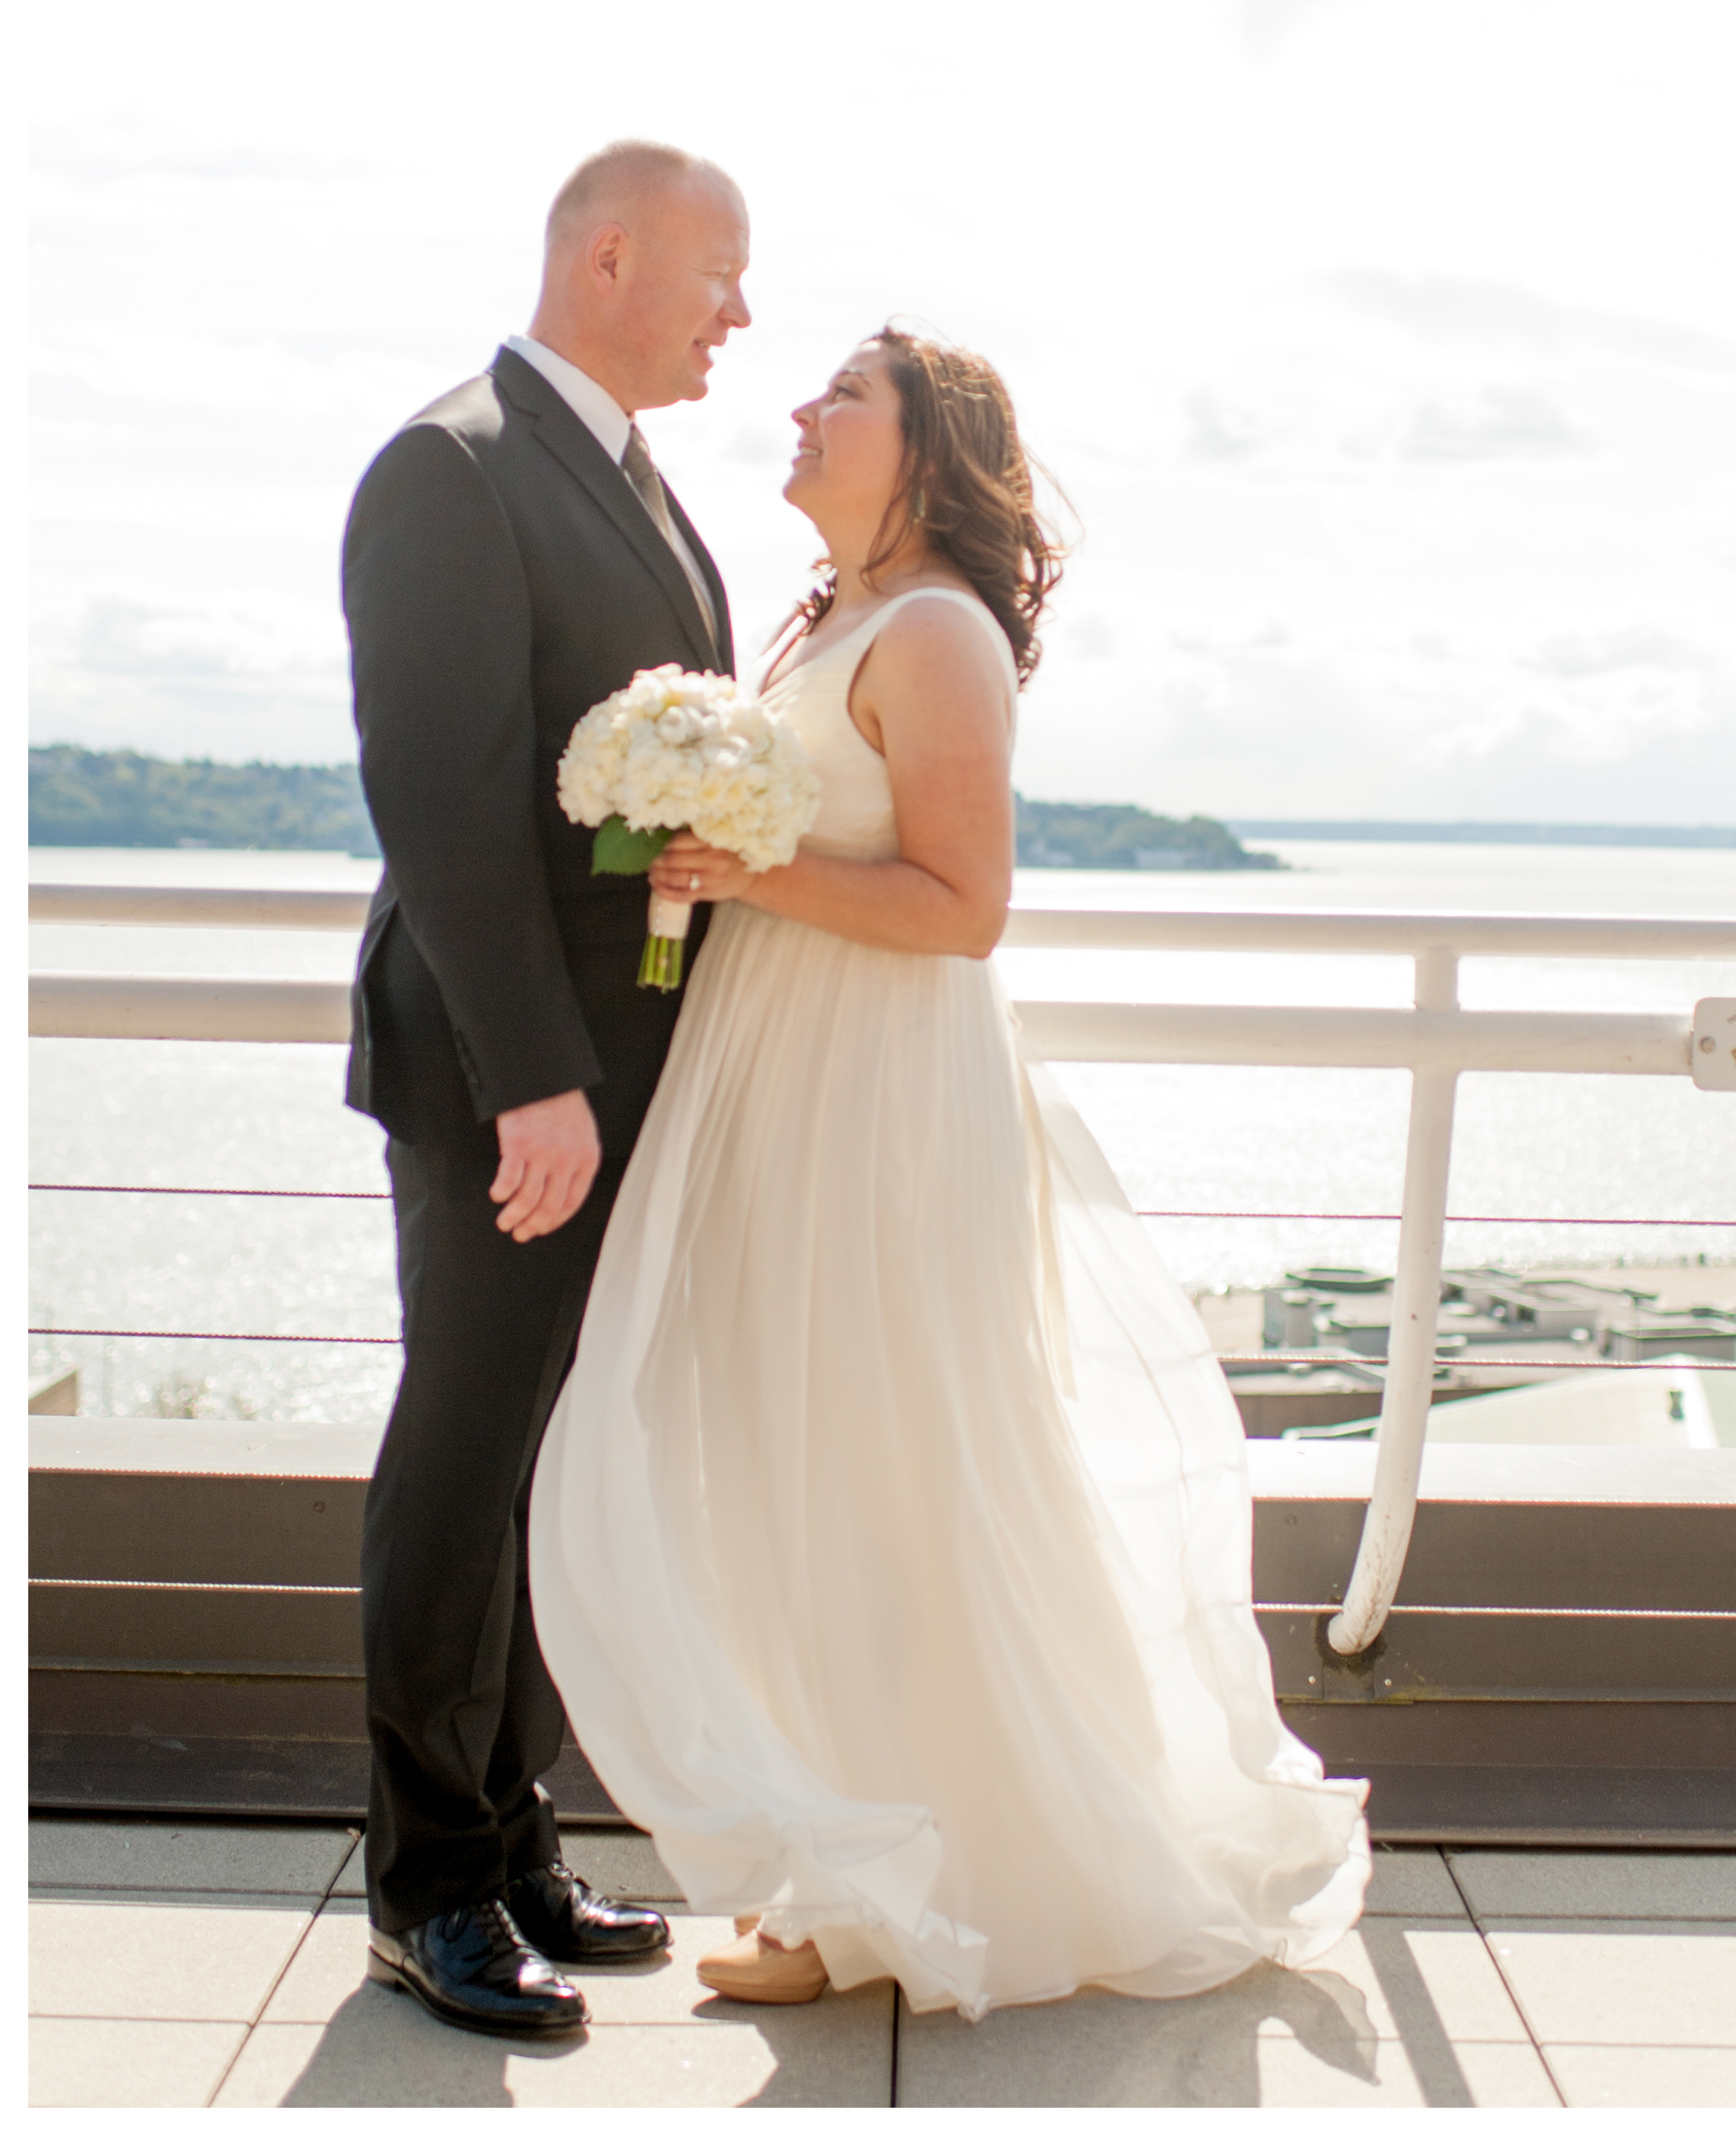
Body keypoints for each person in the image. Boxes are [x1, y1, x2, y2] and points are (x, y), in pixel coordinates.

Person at [525, 326, 1371, 2017]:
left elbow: (962, 907)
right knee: (793, 1462)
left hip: (881, 1094)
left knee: (895, 1463)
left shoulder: (935, 633)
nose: (803, 408)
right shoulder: (821, 620)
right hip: (777, 1072)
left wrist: (751, 876)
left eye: (844, 395)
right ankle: (857, 1860)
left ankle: (930, 1879)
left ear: (921, 453)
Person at [340, 139, 748, 2038]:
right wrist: (537, 1083)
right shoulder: (451, 469)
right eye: (716, 274)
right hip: (513, 1080)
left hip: (621, 1064)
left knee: (552, 1462)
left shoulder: (634, 481)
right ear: (608, 255)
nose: (739, 312)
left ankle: (513, 1843)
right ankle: (421, 1888)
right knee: (464, 1448)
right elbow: (438, 808)